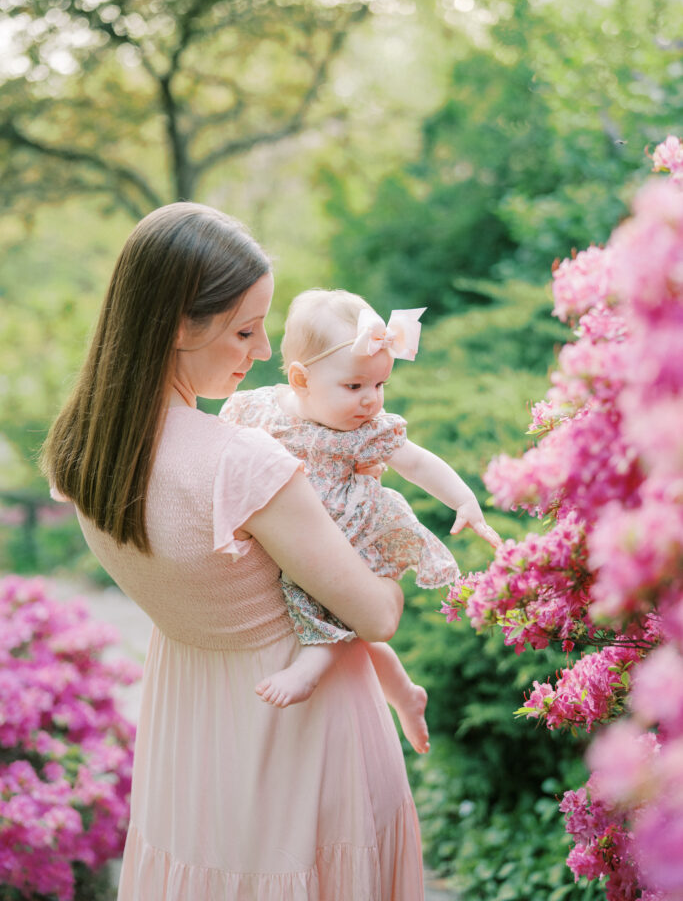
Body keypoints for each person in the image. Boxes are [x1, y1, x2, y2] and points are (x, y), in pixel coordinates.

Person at [40, 204, 423, 901]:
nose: (267, 349)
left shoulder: (83, 449)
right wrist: (388, 547)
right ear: (180, 324)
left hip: (190, 738)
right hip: (299, 736)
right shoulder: (239, 461)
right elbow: (374, 615)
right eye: (246, 329)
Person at [220, 289, 502, 754]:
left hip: (345, 532)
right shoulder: (261, 410)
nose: (371, 400)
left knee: (326, 595)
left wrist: (464, 500)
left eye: (380, 385)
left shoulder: (368, 431)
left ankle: (315, 661)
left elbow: (416, 463)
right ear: (300, 378)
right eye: (355, 386)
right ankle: (404, 695)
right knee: (359, 639)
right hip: (290, 524)